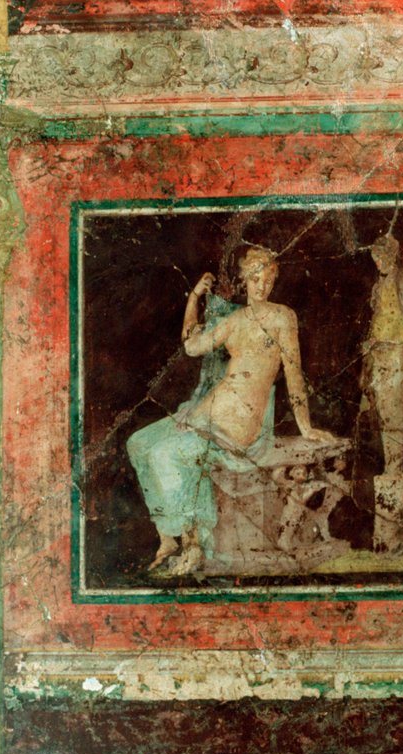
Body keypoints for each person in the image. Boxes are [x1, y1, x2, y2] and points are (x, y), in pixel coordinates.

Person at [127, 246, 334, 575]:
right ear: (245, 279)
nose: (261, 286)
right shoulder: (235, 321)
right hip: (207, 413)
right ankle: (167, 538)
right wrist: (194, 297)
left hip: (239, 424)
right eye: (255, 279)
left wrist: (305, 426)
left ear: (274, 281)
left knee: (165, 454)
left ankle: (192, 543)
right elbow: (191, 347)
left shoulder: (283, 317)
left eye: (267, 280)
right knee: (138, 442)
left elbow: (294, 374)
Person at [362, 233, 403, 473]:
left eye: (381, 257)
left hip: (397, 352)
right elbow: (378, 318)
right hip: (379, 352)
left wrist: (400, 338)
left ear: (391, 255)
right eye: (375, 258)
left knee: (395, 411)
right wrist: (372, 341)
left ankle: (396, 468)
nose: (378, 262)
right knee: (383, 410)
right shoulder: (379, 284)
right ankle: (393, 466)